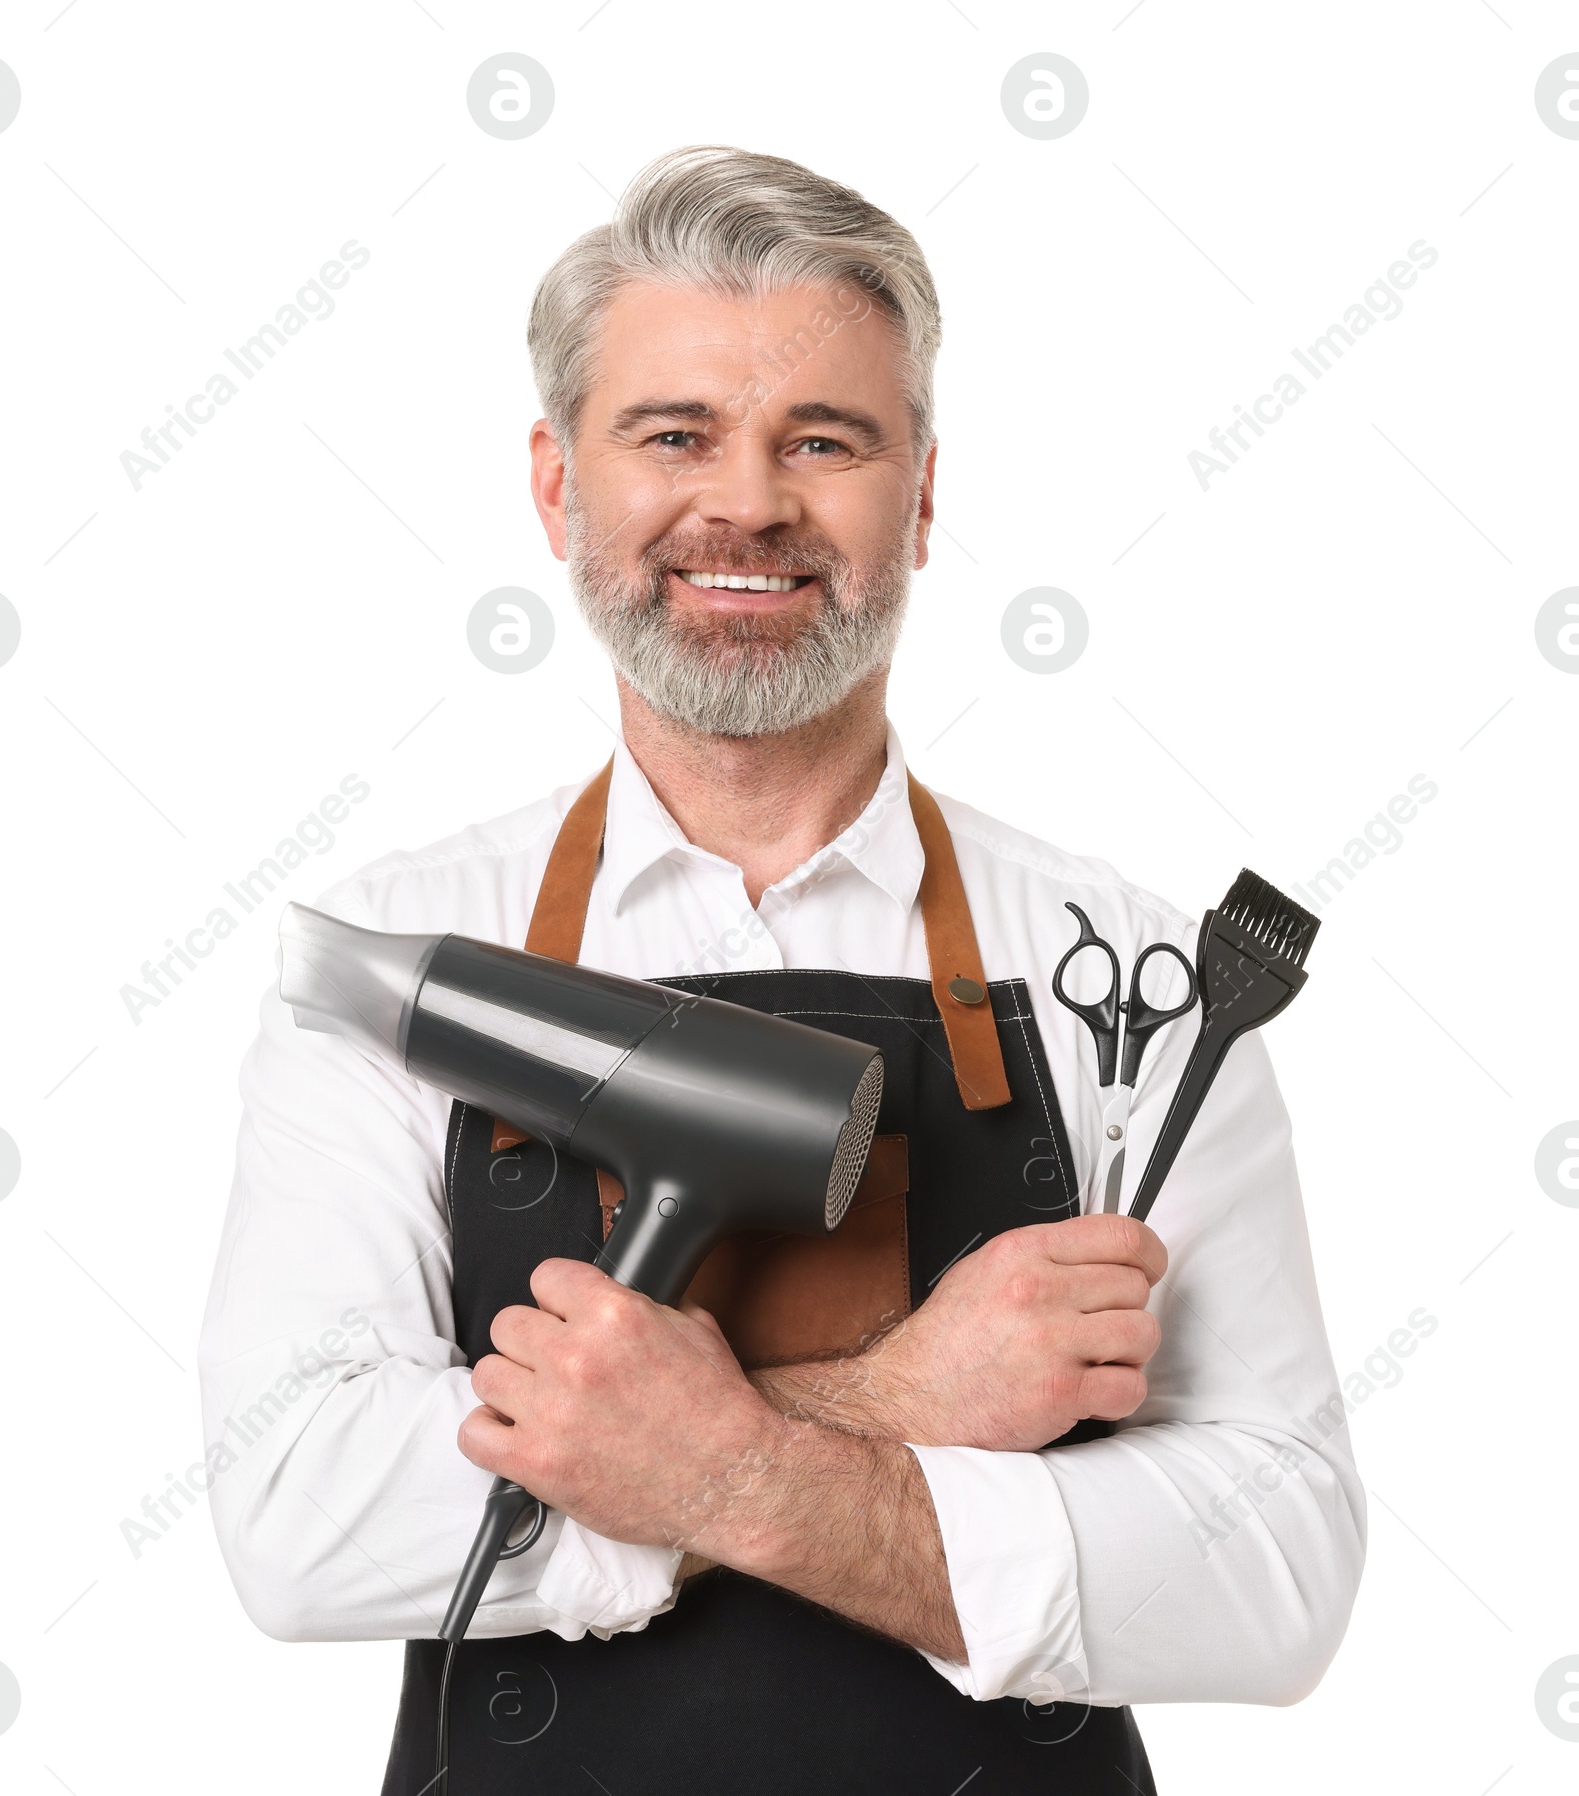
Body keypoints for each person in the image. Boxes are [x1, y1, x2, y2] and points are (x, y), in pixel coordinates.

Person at [199, 145, 1364, 1795]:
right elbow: (300, 1516)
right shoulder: (392, 961)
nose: (745, 502)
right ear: (556, 485)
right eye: (674, 434)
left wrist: (716, 1466)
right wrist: (896, 1401)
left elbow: (1277, 1567)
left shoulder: (1139, 983)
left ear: (926, 496)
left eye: (825, 440)